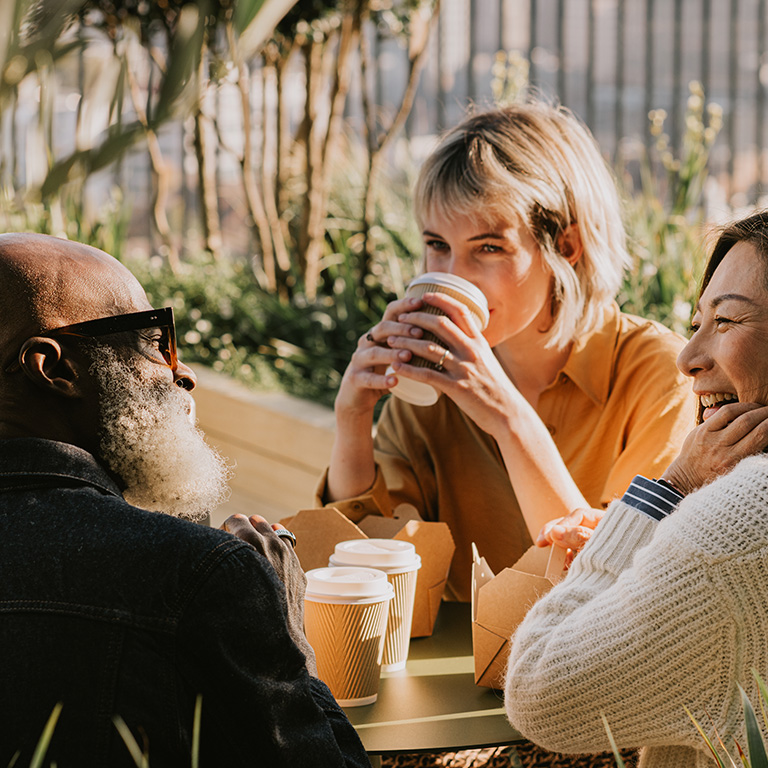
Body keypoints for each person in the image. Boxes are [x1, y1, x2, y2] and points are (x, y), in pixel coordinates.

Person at [0, 233, 370, 768]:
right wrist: (287, 637)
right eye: (154, 343)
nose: (184, 372)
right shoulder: (204, 575)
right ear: (55, 369)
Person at [317, 100, 696, 605]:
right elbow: (364, 565)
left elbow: (618, 589)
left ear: (567, 246)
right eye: (437, 244)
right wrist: (352, 419)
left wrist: (507, 419)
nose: (452, 274)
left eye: (488, 247)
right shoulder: (428, 385)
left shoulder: (661, 375)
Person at [505, 210, 768, 767]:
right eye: (697, 322)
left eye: (726, 321)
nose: (688, 358)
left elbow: (537, 691)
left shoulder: (740, 527)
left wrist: (672, 488)